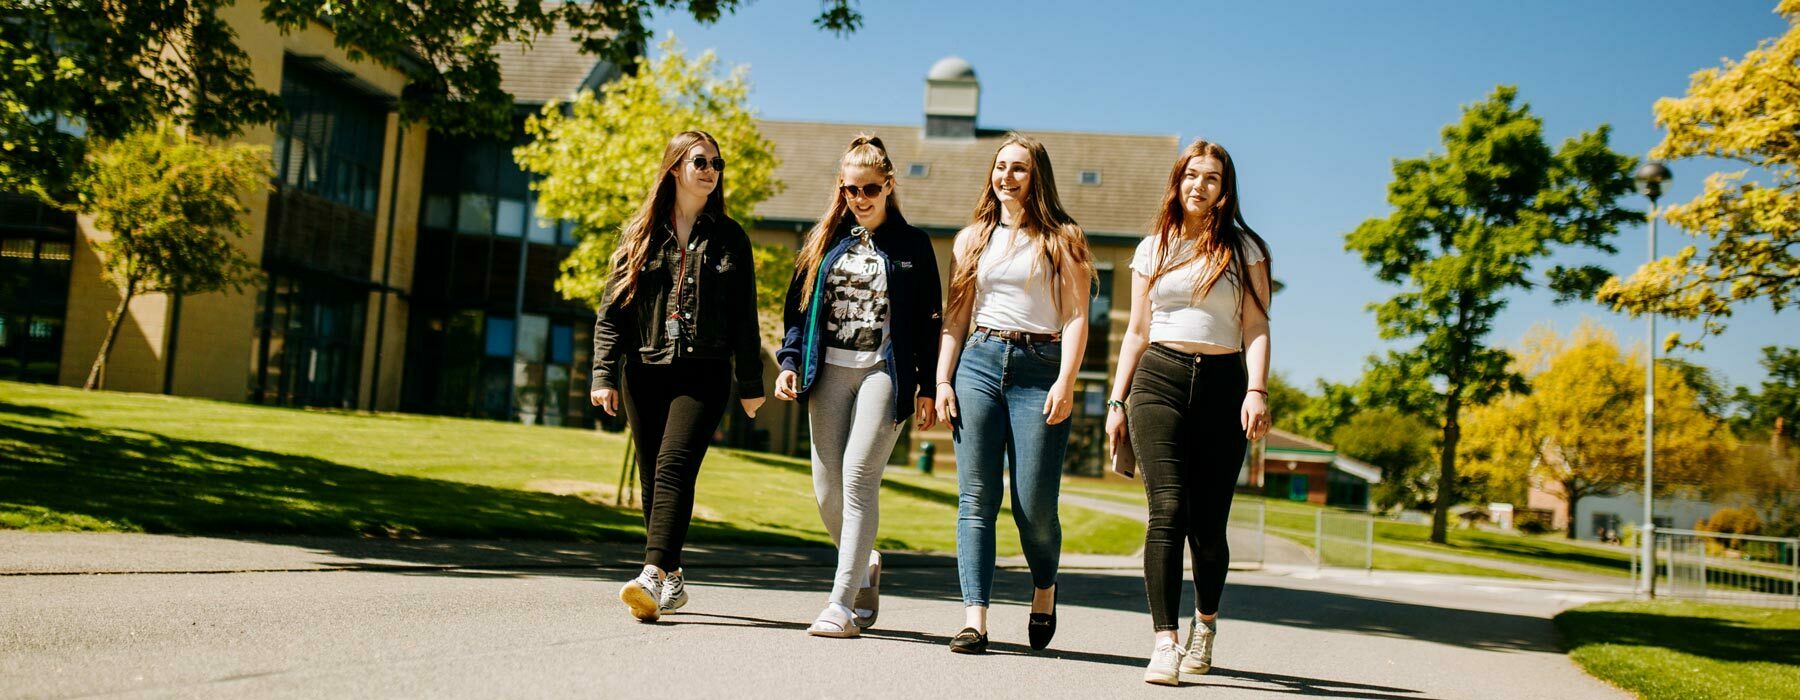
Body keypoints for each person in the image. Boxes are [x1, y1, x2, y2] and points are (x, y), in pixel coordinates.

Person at [1104, 138, 1273, 684]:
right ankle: (1165, 642)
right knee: (1168, 508)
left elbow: (1257, 327)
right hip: (1159, 378)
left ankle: (1205, 624)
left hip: (1225, 386)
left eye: (1212, 178)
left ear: (1226, 190)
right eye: (1192, 176)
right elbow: (1135, 331)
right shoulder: (1154, 248)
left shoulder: (1244, 250)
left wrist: (1257, 389)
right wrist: (1115, 400)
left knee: (1208, 527)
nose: (1200, 186)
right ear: (1178, 182)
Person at [592, 130, 766, 623]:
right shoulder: (639, 233)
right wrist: (603, 373)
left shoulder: (731, 238)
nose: (710, 169)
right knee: (654, 478)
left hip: (704, 372)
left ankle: (649, 573)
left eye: (716, 162)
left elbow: (744, 319)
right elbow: (612, 311)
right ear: (674, 168)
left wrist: (750, 385)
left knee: (673, 467)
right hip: (643, 369)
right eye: (700, 161)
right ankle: (673, 578)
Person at [773, 134, 943, 638]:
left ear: (889, 185)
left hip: (882, 374)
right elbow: (798, 310)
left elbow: (930, 321)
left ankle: (839, 604)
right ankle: (866, 564)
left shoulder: (912, 246)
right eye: (851, 189)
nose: (860, 198)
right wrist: (787, 362)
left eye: (870, 188)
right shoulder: (825, 241)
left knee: (857, 476)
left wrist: (929, 386)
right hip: (827, 372)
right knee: (826, 489)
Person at [935, 134, 1093, 653]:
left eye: (1018, 168)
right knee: (976, 498)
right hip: (978, 363)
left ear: (1037, 176)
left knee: (1034, 506)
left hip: (1039, 370)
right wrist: (942, 379)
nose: (1006, 176)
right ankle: (974, 618)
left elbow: (1075, 316)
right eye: (1000, 167)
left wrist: (1067, 381)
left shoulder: (1063, 238)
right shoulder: (971, 240)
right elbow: (955, 318)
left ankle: (1044, 587)